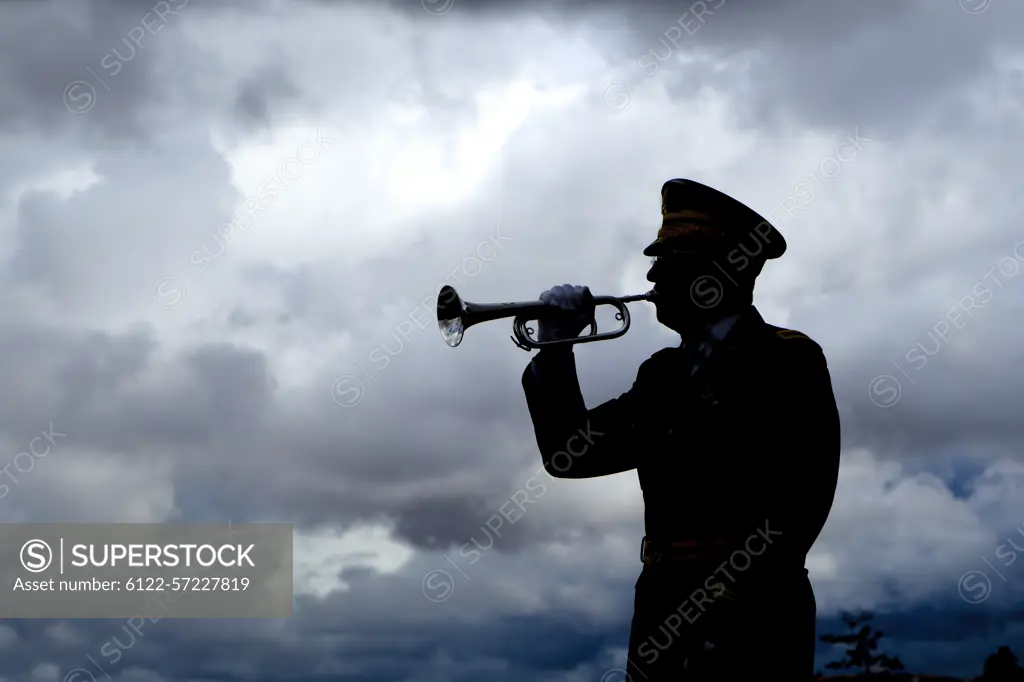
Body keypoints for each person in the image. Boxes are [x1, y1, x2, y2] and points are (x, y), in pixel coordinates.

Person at [520, 179, 841, 680]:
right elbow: (570, 455)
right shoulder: (661, 373)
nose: (651, 275)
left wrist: (735, 588)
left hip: (755, 614)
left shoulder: (787, 358)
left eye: (668, 261)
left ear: (716, 271)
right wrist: (555, 350)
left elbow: (806, 492)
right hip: (662, 605)